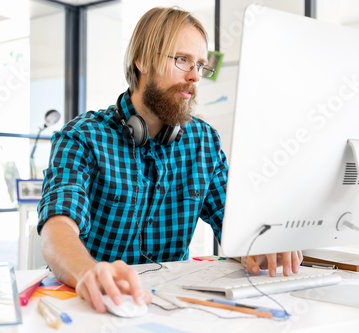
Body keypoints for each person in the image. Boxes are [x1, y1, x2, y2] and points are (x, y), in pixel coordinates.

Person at [37, 6, 303, 313]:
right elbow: (56, 227)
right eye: (182, 60)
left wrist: (261, 247)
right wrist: (88, 271)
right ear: (142, 60)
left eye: (201, 65)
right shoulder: (82, 136)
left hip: (174, 307)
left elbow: (235, 227)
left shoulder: (203, 141)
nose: (195, 77)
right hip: (98, 305)